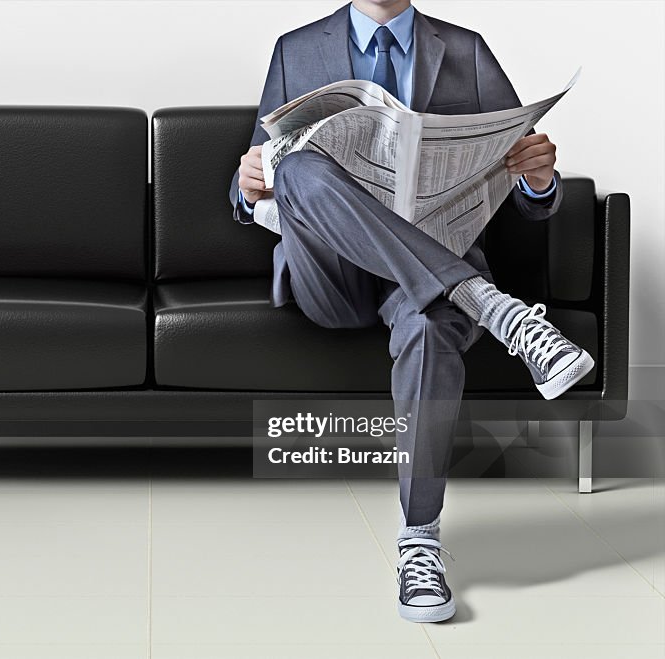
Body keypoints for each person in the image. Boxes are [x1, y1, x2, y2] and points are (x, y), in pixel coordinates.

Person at [230, 0, 593, 623]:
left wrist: (537, 180)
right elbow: (253, 185)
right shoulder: (295, 49)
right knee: (299, 172)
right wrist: (248, 181)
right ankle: (495, 310)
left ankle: (419, 542)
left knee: (430, 325)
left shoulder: (467, 50)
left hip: (434, 260)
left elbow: (519, 178)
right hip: (332, 276)